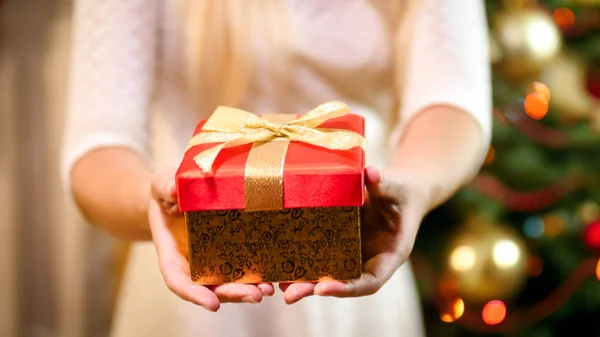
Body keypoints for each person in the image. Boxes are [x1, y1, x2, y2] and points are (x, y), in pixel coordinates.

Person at [62, 0, 491, 336]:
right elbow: (99, 143)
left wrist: (414, 184)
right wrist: (155, 203)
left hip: (359, 251)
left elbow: (453, 97)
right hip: (188, 272)